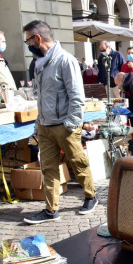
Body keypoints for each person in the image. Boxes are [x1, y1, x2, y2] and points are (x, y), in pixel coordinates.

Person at [21, 20, 97, 224]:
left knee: (78, 163)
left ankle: (91, 195)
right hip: (46, 126)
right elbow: (40, 96)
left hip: (65, 125)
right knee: (48, 167)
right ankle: (51, 209)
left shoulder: (66, 60)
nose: (27, 45)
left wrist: (71, 125)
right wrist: (39, 124)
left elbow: (76, 96)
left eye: (28, 40)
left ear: (38, 38)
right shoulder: (39, 63)